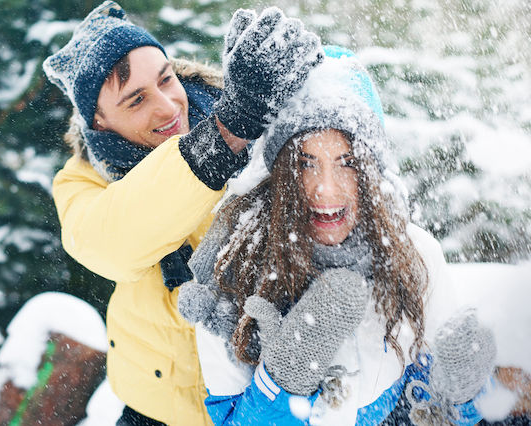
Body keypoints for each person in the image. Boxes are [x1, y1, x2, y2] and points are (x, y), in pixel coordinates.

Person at [178, 45, 497, 425]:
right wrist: (282, 384)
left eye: (347, 163)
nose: (326, 190)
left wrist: (461, 398)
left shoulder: (414, 253)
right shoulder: (232, 273)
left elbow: (424, 402)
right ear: (275, 173)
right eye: (305, 163)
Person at [42, 2, 323, 425]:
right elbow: (111, 243)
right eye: (136, 100)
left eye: (165, 79)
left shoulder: (245, 108)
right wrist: (226, 134)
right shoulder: (83, 179)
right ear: (97, 121)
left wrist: (309, 87)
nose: (169, 106)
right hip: (157, 408)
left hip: (264, 398)